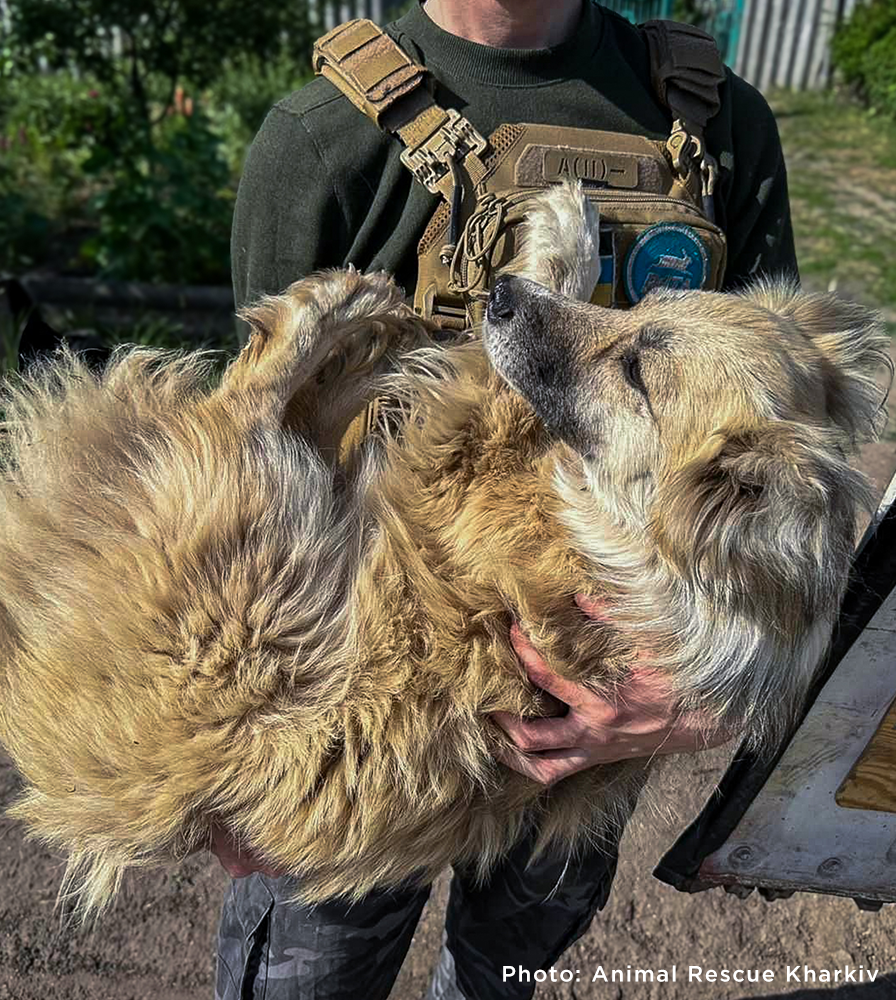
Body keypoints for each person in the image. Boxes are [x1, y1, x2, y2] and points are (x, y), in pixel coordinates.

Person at [214, 2, 798, 998]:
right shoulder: (324, 140)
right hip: (361, 729)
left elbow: (774, 470)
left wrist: (688, 701)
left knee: (503, 976)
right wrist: (226, 755)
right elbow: (239, 484)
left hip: (593, 737)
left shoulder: (714, 121)